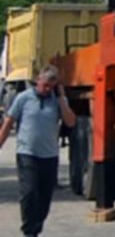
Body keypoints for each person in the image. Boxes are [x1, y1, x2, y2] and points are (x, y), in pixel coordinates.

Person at [0, 68, 76, 236]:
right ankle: (29, 231)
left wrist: (62, 98)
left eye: (52, 86)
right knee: (29, 193)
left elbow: (70, 122)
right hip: (27, 154)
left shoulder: (57, 101)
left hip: (49, 156)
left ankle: (36, 227)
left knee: (44, 197)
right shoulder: (23, 98)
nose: (47, 89)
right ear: (38, 81)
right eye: (45, 85)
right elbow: (8, 122)